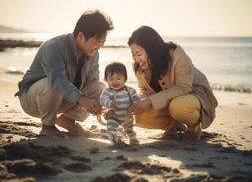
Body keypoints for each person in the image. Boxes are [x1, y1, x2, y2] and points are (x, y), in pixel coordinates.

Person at [15, 10, 113, 138]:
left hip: (62, 99)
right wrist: (83, 100)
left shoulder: (94, 54)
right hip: (32, 99)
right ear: (81, 36)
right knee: (52, 84)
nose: (101, 45)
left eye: (103, 41)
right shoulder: (54, 47)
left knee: (100, 87)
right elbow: (58, 81)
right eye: (98, 40)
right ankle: (48, 127)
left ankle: (67, 120)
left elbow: (92, 82)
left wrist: (99, 106)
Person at [128, 26, 218, 141]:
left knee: (178, 106)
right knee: (139, 113)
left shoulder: (176, 54)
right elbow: (144, 91)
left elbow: (184, 87)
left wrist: (150, 102)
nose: (136, 58)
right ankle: (173, 126)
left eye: (139, 54)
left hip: (194, 94)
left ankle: (193, 128)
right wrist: (135, 101)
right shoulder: (138, 67)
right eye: (133, 54)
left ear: (151, 49)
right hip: (168, 102)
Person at [100, 62, 140, 146]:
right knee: (111, 127)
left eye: (118, 78)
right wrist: (110, 103)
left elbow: (136, 98)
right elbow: (102, 99)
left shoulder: (130, 90)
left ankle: (133, 139)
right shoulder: (107, 91)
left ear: (125, 79)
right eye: (111, 79)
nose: (115, 81)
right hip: (114, 115)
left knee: (129, 129)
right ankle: (114, 138)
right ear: (106, 80)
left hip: (127, 114)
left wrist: (136, 104)